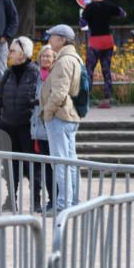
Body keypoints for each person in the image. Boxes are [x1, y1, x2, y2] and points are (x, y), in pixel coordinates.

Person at [0, 36, 44, 212]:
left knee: (33, 165)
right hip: (8, 127)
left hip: (28, 128)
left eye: (13, 50)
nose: (9, 53)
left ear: (22, 54)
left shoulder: (36, 73)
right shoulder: (8, 73)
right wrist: (0, 123)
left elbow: (38, 100)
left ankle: (36, 201)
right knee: (10, 166)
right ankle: (11, 200)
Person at [40, 24, 83, 212]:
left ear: (62, 39)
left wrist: (47, 113)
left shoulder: (64, 61)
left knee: (60, 162)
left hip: (59, 116)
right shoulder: (73, 58)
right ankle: (72, 201)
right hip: (69, 115)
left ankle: (62, 204)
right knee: (70, 161)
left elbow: (59, 93)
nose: (49, 40)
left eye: (53, 36)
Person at [79, 0, 126, 109]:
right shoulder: (109, 5)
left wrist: (87, 22)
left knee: (89, 70)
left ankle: (86, 98)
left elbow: (82, 23)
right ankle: (107, 98)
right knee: (106, 70)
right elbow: (122, 13)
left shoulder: (88, 8)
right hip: (108, 41)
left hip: (95, 42)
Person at [32, 45, 55, 210]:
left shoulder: (55, 76)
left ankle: (55, 200)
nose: (45, 59)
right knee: (43, 167)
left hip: (51, 126)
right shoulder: (35, 76)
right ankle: (45, 201)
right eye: (43, 56)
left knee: (52, 167)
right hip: (37, 128)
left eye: (48, 56)